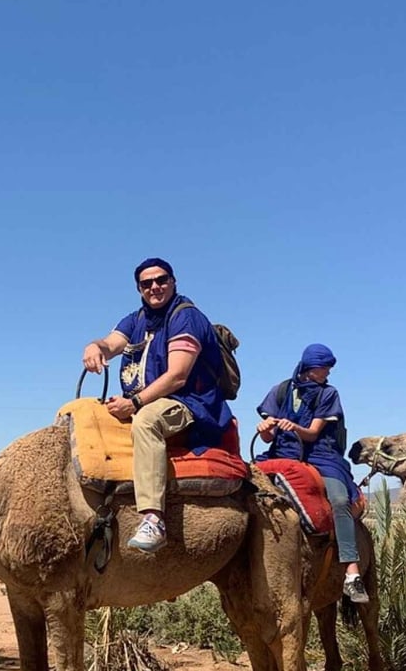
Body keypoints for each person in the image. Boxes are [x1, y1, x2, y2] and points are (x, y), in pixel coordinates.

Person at [80, 257, 232, 553]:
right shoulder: (136, 319)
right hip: (142, 400)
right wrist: (94, 347)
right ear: (139, 289)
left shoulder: (185, 317)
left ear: (173, 282)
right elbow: (111, 344)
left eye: (161, 280)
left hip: (188, 403)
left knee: (147, 420)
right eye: (146, 283)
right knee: (86, 411)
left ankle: (153, 517)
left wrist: (134, 403)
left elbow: (177, 376)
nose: (155, 287)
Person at [254, 344, 368, 603]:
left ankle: (351, 572)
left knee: (340, 500)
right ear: (308, 367)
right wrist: (264, 428)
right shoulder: (282, 390)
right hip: (281, 452)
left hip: (321, 456)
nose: (327, 372)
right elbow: (267, 437)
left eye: (328, 368)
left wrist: (294, 427)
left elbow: (313, 433)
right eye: (323, 367)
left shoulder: (328, 394)